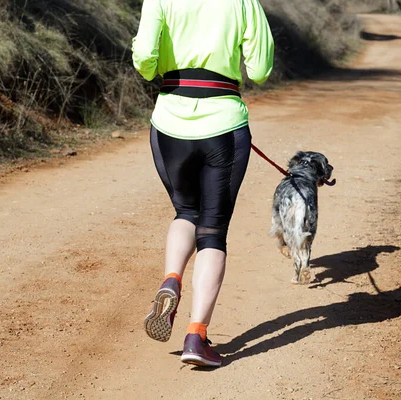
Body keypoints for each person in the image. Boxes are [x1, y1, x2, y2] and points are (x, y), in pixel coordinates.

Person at [132, 0, 274, 367]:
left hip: (170, 120)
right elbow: (260, 68)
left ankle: (172, 278)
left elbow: (144, 57)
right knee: (211, 231)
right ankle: (196, 336)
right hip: (223, 122)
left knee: (185, 210)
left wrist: (159, 69)